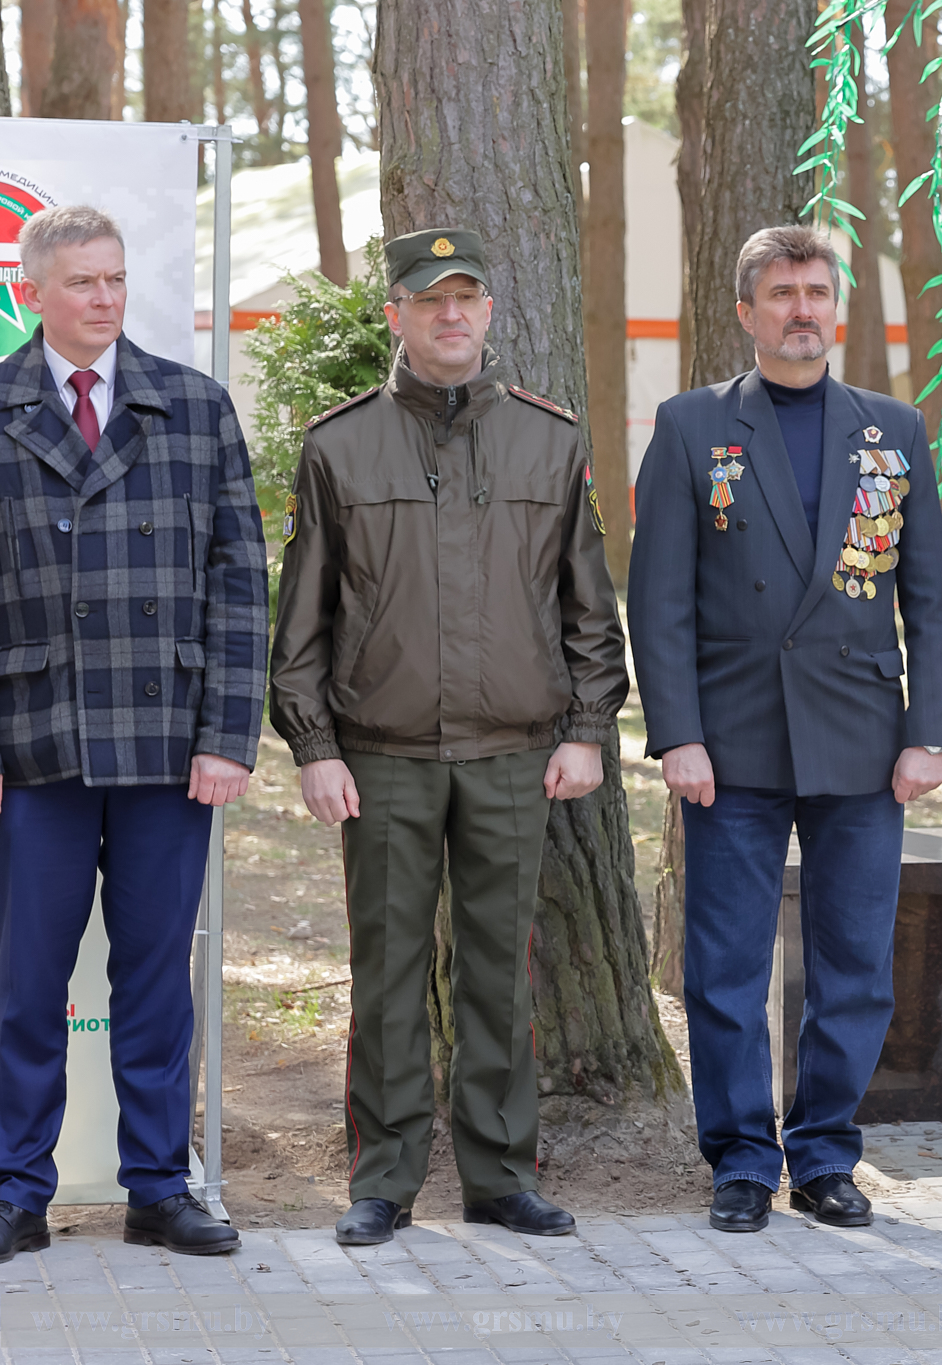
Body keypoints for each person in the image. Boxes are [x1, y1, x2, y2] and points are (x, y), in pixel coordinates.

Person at [269, 228, 627, 1244]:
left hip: (515, 752)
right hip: (381, 756)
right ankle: (382, 1180)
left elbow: (588, 605)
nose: (451, 314)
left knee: (498, 970)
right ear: (397, 314)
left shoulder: (549, 440)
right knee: (386, 971)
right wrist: (314, 746)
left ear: (489, 311)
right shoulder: (340, 446)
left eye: (466, 297)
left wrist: (587, 727)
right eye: (430, 299)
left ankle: (500, 1175)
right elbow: (301, 620)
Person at [630, 226, 942, 1236]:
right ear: (747, 311)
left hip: (862, 738)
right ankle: (739, 1158)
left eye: (817, 291)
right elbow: (659, 599)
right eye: (782, 292)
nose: (802, 308)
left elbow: (930, 597)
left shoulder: (893, 429)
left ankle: (823, 1154)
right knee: (726, 965)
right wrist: (676, 732)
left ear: (836, 308)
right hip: (732, 740)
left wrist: (929, 730)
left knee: (855, 964)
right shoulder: (691, 426)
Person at [0, 205, 265, 1259]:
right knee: (24, 984)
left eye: (114, 278)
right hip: (35, 744)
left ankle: (159, 1186)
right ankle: (17, 1188)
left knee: (155, 980)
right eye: (82, 282)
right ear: (33, 293)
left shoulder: (194, 407)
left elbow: (239, 585)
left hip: (166, 747)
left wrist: (227, 736)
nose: (105, 298)